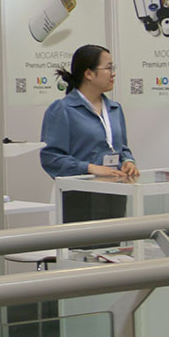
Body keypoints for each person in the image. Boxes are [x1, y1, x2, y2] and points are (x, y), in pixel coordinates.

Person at [40, 44, 139, 224]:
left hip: (115, 195)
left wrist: (128, 161)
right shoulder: (63, 110)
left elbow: (122, 148)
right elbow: (51, 158)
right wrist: (89, 168)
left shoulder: (115, 109)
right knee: (85, 242)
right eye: (108, 68)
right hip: (81, 198)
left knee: (115, 241)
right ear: (89, 74)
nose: (113, 74)